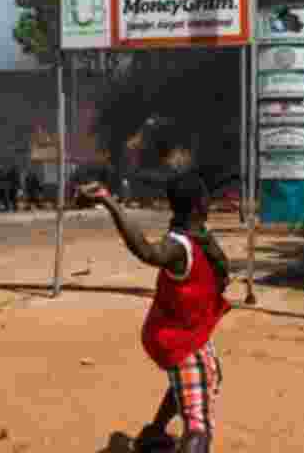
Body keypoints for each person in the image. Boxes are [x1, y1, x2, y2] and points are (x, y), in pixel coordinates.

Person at [79, 170, 231, 453]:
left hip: (185, 332)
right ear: (197, 206)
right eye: (206, 198)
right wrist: (110, 202)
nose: (209, 203)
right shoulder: (180, 246)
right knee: (198, 426)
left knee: (206, 377)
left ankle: (154, 433)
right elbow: (147, 251)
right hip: (179, 337)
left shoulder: (195, 236)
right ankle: (177, 437)